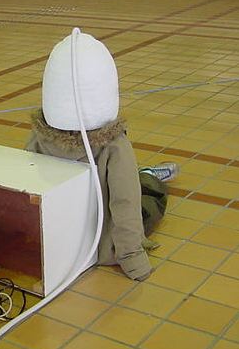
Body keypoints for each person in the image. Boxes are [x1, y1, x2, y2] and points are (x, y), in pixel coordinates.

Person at [26, 29, 178, 281]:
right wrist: (133, 259)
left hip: (65, 245)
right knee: (150, 198)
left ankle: (144, 174)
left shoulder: (38, 137)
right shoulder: (115, 147)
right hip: (102, 245)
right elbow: (125, 204)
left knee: (131, 185)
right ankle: (150, 176)